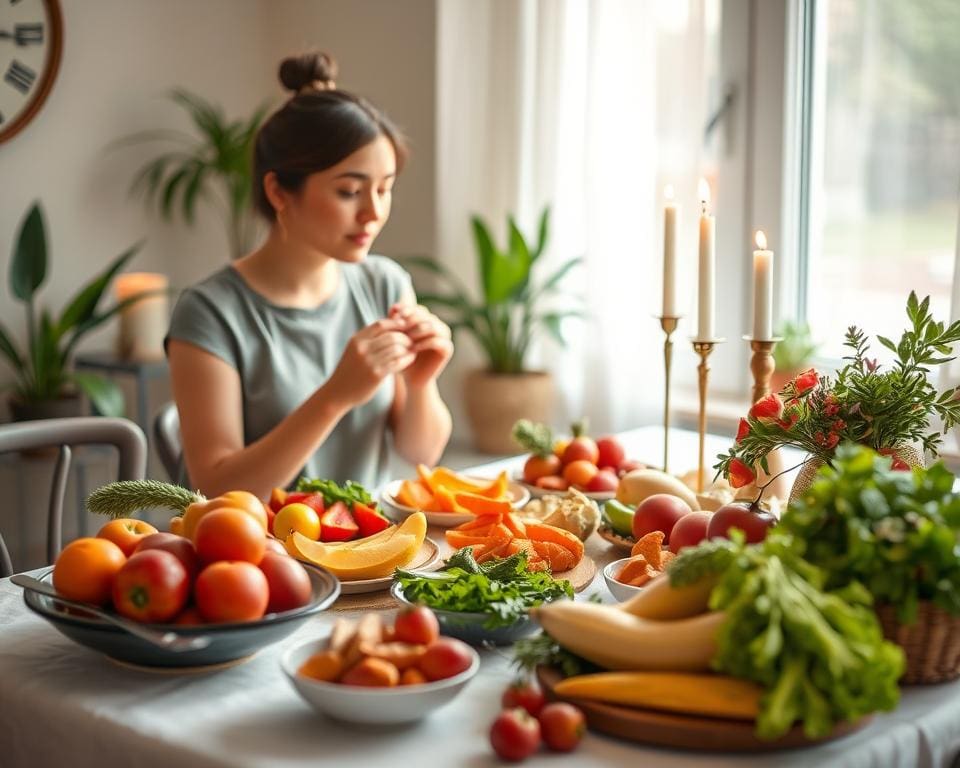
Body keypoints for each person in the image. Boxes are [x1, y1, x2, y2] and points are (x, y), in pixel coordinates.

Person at [166, 52, 453, 500]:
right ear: (279, 190)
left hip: (362, 552)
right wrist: (335, 396)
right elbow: (218, 488)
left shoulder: (384, 284)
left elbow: (421, 454)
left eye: (385, 188)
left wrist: (421, 383)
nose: (373, 212)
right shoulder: (209, 312)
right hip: (255, 560)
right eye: (349, 191)